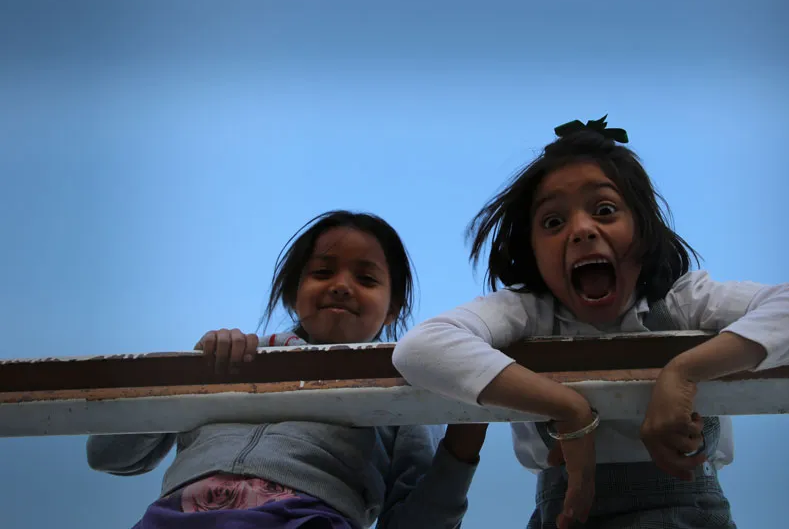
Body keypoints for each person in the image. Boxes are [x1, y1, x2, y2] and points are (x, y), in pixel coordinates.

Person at [392, 117, 789, 529]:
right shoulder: (528, 312)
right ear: (532, 252)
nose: (581, 229)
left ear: (643, 230)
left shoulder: (679, 303)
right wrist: (571, 412)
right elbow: (421, 347)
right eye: (553, 222)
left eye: (604, 210)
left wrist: (684, 372)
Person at [87, 210, 488, 529]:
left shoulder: (401, 380)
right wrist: (190, 373)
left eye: (366, 278)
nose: (342, 285)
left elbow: (415, 519)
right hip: (176, 517)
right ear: (294, 294)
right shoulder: (237, 359)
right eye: (322, 272)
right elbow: (108, 455)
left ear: (394, 307)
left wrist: (462, 446)